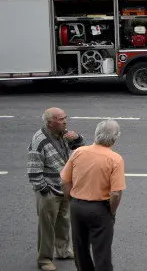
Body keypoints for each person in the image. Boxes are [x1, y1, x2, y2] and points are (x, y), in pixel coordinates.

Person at [60, 119, 125, 271]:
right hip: (100, 208)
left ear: (96, 134)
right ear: (115, 138)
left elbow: (64, 181)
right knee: (102, 251)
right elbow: (115, 193)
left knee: (80, 248)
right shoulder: (115, 159)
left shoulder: (78, 152)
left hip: (77, 205)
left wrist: (71, 200)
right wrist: (111, 211)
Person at [28, 107, 85, 271]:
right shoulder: (39, 141)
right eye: (60, 119)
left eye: (65, 118)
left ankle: (63, 251)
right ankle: (44, 259)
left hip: (64, 188)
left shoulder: (64, 135)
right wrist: (45, 191)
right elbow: (33, 171)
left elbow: (82, 149)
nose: (65, 121)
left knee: (64, 222)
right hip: (49, 191)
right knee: (47, 227)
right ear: (49, 123)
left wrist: (78, 138)